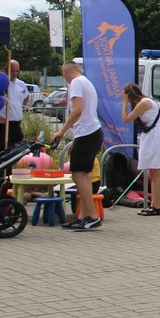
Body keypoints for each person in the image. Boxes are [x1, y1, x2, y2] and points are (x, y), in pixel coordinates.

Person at [53, 61, 104, 230]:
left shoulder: (75, 83)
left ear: (66, 72)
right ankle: (83, 215)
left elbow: (77, 111)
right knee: (85, 175)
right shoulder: (86, 82)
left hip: (87, 133)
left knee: (78, 175)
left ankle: (92, 215)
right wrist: (75, 140)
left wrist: (62, 131)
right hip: (90, 132)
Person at [121, 83, 160, 216]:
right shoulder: (146, 102)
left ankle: (157, 206)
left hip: (155, 137)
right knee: (153, 174)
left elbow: (126, 119)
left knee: (156, 173)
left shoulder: (143, 103)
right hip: (152, 135)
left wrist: (124, 104)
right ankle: (154, 204)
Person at [0, 60, 30, 153]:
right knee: (4, 152)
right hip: (3, 125)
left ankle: (11, 168)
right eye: (12, 71)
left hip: (16, 124)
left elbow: (26, 96)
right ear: (6, 70)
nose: (14, 74)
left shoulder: (21, 84)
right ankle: (3, 168)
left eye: (17, 71)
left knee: (16, 152)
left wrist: (20, 108)